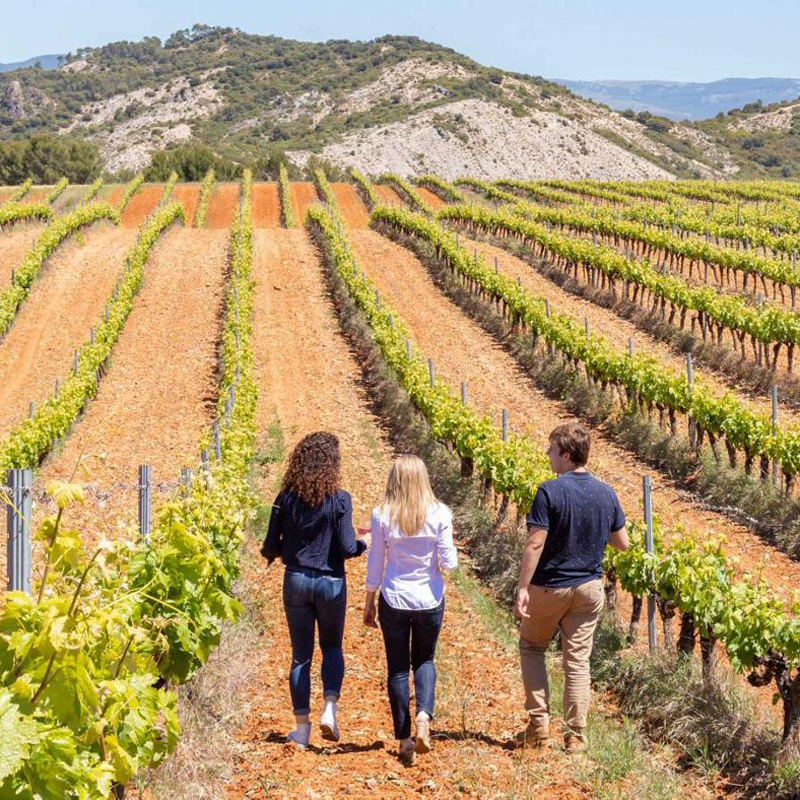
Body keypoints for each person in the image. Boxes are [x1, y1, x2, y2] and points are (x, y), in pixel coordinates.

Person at [514, 422, 628, 754]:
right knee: (577, 661)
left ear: (566, 454)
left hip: (550, 587)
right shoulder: (606, 492)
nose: (548, 455)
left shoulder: (549, 491)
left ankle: (539, 726)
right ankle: (576, 736)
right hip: (589, 588)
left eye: (551, 450)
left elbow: (535, 544)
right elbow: (622, 543)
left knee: (532, 647)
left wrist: (523, 587)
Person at [261, 432, 368, 749]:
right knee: (332, 648)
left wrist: (284, 551)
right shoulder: (340, 499)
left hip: (295, 580)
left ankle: (301, 729)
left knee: (300, 657)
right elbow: (348, 547)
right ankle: (330, 710)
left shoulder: (285, 499)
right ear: (332, 465)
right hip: (331, 582)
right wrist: (365, 544)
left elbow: (270, 546)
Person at [363, 455, 458, 767]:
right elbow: (449, 564)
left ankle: (404, 740)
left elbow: (376, 561)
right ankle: (423, 716)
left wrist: (368, 600)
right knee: (425, 659)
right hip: (429, 599)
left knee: (398, 669)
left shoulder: (382, 515)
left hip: (394, 598)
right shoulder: (440, 513)